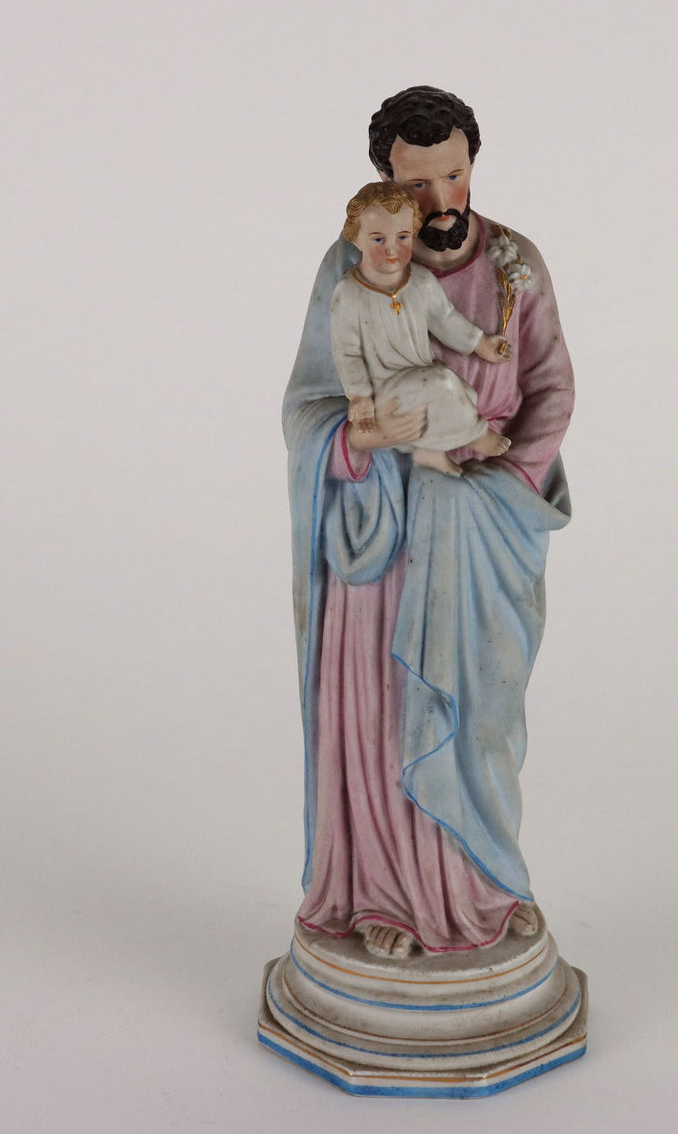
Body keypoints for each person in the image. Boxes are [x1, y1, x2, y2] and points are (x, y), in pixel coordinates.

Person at [283, 86, 574, 959]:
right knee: (386, 713)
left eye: (455, 174)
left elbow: (551, 386)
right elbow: (308, 405)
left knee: (479, 711)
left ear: (472, 163)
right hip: (382, 527)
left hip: (483, 521)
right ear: (386, 181)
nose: (442, 200)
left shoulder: (516, 263)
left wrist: (504, 481)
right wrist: (360, 441)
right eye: (418, 185)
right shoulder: (350, 268)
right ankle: (382, 895)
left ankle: (486, 883)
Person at [331, 180, 513, 476]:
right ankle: (478, 435)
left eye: (402, 237)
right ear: (357, 238)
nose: (392, 248)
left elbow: (446, 319)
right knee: (444, 385)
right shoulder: (349, 294)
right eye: (378, 239)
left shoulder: (420, 281)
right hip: (385, 390)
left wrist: (481, 344)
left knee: (467, 395)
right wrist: (360, 396)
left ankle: (430, 452)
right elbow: (347, 352)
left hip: (422, 375)